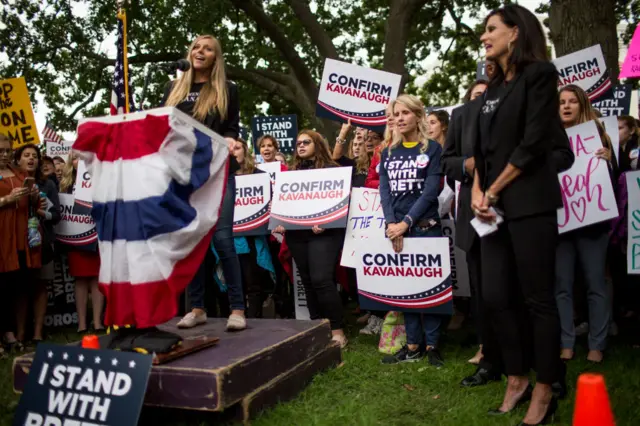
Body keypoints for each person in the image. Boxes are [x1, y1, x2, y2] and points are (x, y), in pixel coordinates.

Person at [472, 5, 574, 424]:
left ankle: (546, 386)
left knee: (538, 300)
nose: (484, 37)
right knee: (495, 297)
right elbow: (482, 152)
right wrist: (480, 190)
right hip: (492, 209)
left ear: (515, 33)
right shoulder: (491, 89)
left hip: (529, 203)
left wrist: (494, 189)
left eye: (491, 29)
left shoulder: (540, 75)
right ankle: (516, 376)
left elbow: (533, 143)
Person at [162, 34, 246, 331]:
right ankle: (197, 307)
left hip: (218, 170)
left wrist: (230, 139)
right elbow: (164, 127)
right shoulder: (173, 89)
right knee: (191, 242)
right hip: (185, 175)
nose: (200, 52)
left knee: (223, 239)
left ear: (215, 58)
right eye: (196, 47)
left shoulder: (228, 90)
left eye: (207, 49)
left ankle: (237, 308)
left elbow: (233, 126)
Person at [442, 79, 503, 387]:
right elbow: (447, 161)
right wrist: (466, 165)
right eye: (475, 96)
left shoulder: (510, 114)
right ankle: (487, 353)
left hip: (511, 211)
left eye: (486, 94)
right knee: (481, 289)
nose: (481, 100)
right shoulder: (461, 118)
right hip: (474, 215)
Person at [379, 94, 446, 367]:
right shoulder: (388, 152)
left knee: (429, 290)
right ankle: (412, 345)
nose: (399, 118)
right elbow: (384, 191)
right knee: (406, 290)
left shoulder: (432, 149)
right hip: (398, 230)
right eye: (396, 114)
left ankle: (432, 346)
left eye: (405, 112)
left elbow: (431, 193)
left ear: (418, 116)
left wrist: (406, 222)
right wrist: (391, 224)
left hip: (425, 228)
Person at [555, 84, 617, 364]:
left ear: (582, 105)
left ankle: (597, 343)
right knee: (562, 285)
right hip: (559, 223)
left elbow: (613, 183)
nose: (566, 106)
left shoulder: (598, 137)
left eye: (572, 102)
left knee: (596, 284)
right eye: (561, 102)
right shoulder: (548, 138)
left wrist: (608, 161)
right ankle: (566, 342)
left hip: (592, 224)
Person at [272, 130, 348, 348]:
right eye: (298, 143)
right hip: (298, 234)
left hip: (326, 233)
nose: (301, 146)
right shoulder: (291, 172)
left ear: (317, 143)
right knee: (306, 281)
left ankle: (337, 329)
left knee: (321, 279)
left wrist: (325, 222)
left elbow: (343, 203)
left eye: (306, 142)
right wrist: (280, 219)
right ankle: (316, 326)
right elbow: (286, 204)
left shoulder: (333, 170)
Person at [14, 144, 60, 344]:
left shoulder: (48, 184)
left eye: (35, 155)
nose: (31, 159)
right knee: (21, 288)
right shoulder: (11, 183)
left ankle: (38, 333)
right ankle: (20, 334)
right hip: (17, 244)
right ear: (18, 160)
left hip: (43, 243)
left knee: (40, 286)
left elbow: (56, 215)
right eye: (26, 155)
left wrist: (43, 213)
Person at [0, 134, 42, 352]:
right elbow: (7, 200)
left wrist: (33, 196)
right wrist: (6, 200)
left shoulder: (18, 172)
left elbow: (34, 203)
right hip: (1, 238)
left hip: (20, 238)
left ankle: (16, 334)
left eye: (7, 150)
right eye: (1, 151)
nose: (5, 155)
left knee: (17, 286)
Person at [59, 152, 104, 333]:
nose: (80, 162)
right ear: (71, 162)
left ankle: (98, 322)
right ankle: (82, 324)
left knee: (96, 279)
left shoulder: (99, 181)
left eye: (83, 158)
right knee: (80, 280)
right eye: (76, 158)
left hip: (95, 236)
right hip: (76, 240)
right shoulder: (65, 185)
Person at [232, 139, 276, 317]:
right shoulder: (223, 177)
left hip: (253, 237)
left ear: (245, 151)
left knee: (254, 282)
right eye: (231, 149)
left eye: (238, 148)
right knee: (235, 281)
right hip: (230, 237)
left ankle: (255, 321)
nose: (234, 151)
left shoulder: (260, 176)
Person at [365, 104, 395, 189]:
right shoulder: (380, 149)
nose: (390, 118)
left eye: (395, 114)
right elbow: (369, 181)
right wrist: (384, 184)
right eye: (388, 115)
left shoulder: (418, 146)